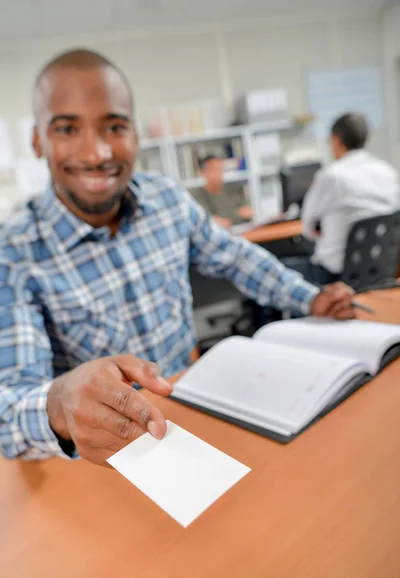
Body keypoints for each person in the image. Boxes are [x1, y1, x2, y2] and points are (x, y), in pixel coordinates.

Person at [0, 49, 356, 466]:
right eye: (66, 128)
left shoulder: (167, 199)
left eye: (114, 126)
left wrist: (310, 299)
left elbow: (237, 258)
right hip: (101, 458)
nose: (96, 153)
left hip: (190, 417)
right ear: (38, 141)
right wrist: (58, 404)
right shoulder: (15, 253)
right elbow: (10, 409)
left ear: (135, 134)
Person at [300, 113, 399, 285]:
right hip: (382, 269)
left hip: (334, 276)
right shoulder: (387, 171)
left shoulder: (331, 176)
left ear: (336, 140)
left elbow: (307, 228)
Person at [192, 155, 252, 228]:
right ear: (202, 173)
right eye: (214, 169)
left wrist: (224, 217)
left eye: (221, 169)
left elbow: (248, 213)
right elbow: (208, 221)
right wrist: (237, 213)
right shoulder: (197, 196)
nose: (219, 173)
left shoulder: (234, 188)